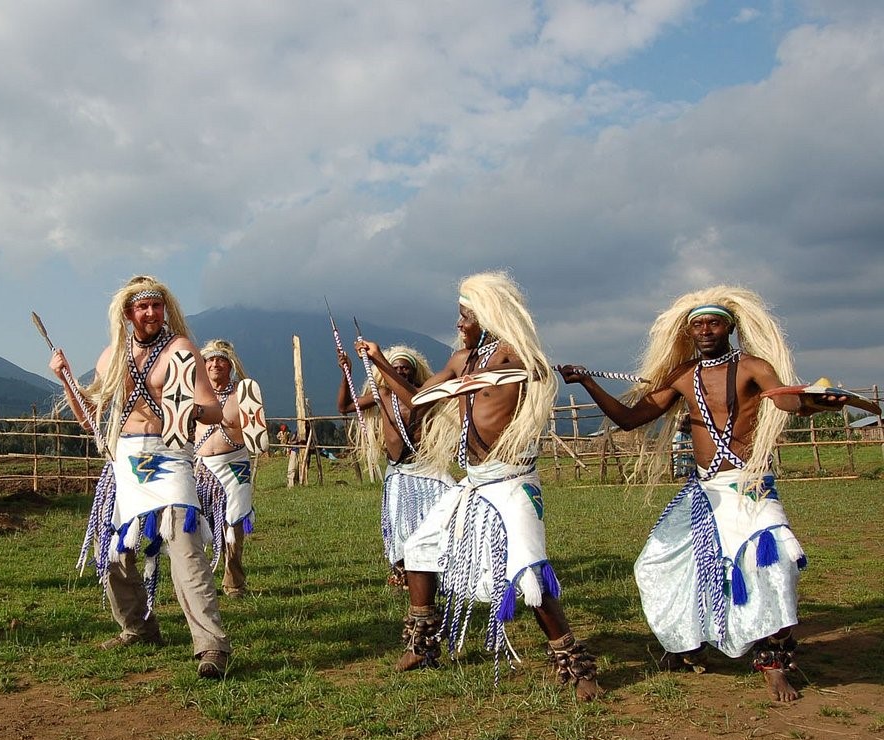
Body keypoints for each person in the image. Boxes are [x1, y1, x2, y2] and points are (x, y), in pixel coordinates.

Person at [559, 287, 838, 702]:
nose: (705, 330)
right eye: (698, 325)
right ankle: (684, 642)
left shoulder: (753, 367)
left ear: (730, 327)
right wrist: (587, 382)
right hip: (704, 492)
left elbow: (787, 401)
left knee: (775, 567)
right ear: (689, 332)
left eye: (713, 323)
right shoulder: (682, 376)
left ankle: (773, 663)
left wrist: (817, 404)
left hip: (750, 486)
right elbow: (632, 418)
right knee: (656, 564)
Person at [398, 272, 602, 701]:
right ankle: (423, 645)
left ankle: (575, 665)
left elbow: (540, 371)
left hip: (511, 481)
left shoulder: (515, 354)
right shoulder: (461, 360)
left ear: (487, 314)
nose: (459, 322)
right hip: (474, 483)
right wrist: (381, 365)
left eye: (465, 314)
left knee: (528, 573)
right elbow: (421, 396)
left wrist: (541, 372)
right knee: (418, 548)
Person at [50, 275, 232, 679]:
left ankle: (211, 646)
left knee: (184, 547)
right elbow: (90, 417)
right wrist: (65, 378)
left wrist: (190, 412)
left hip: (167, 456)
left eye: (156, 306)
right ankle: (138, 627)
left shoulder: (181, 350)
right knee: (114, 551)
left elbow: (213, 410)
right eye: (142, 307)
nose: (150, 314)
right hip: (125, 458)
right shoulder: (111, 356)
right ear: (128, 312)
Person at [337, 343, 455, 589]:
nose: (401, 372)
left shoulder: (423, 394)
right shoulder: (382, 394)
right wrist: (345, 372)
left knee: (436, 521)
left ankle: (440, 572)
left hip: (426, 470)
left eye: (405, 369)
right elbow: (346, 407)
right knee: (401, 526)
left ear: (414, 372)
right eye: (396, 368)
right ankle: (402, 573)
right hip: (399, 472)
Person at [193, 339, 255, 598]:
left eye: (221, 360)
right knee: (197, 525)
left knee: (235, 524)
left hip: (235, 464)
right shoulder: (194, 393)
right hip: (203, 467)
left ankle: (234, 583)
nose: (215, 364)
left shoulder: (243, 394)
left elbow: (256, 430)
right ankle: (200, 582)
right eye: (210, 360)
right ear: (203, 365)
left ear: (230, 365)